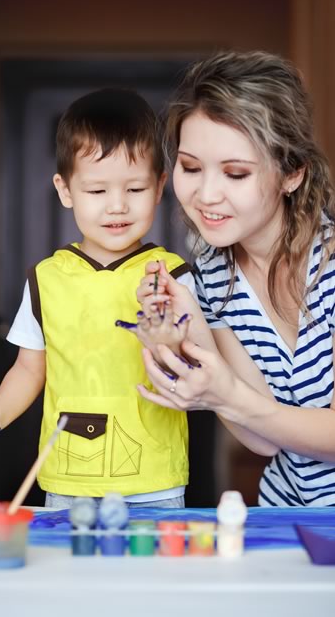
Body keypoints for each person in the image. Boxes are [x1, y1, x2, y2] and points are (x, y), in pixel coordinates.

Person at [0, 88, 195, 509]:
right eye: (97, 192)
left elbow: (193, 368)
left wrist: (166, 333)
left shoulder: (171, 276)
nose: (116, 206)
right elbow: (28, 370)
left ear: (159, 187)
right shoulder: (46, 279)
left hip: (154, 479)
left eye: (134, 189)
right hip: (67, 476)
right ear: (65, 191)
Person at [132, 51, 335, 507]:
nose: (205, 195)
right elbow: (262, 439)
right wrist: (193, 329)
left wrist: (223, 393)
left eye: (235, 173)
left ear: (292, 173)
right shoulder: (211, 271)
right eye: (190, 167)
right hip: (287, 514)